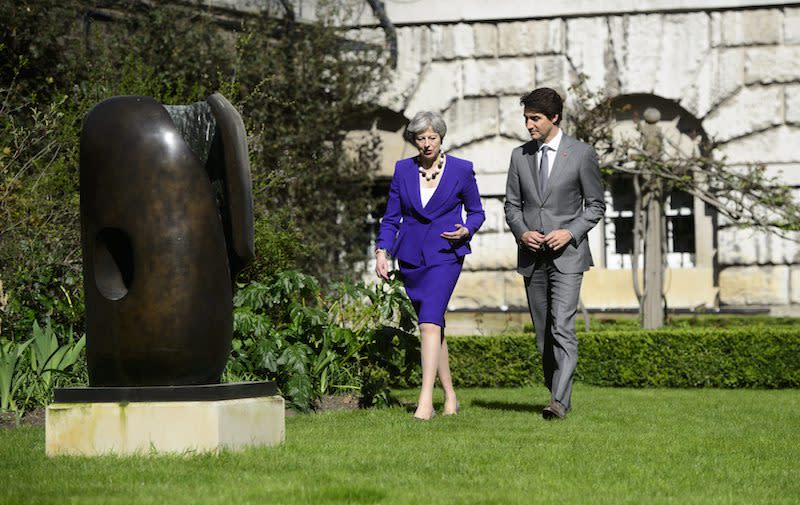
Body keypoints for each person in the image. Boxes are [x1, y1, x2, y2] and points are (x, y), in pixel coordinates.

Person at [375, 110, 485, 420]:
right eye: (421, 138)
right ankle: (450, 395)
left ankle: (425, 402)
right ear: (414, 140)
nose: (426, 144)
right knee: (433, 324)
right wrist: (382, 250)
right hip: (410, 256)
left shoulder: (461, 170)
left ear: (441, 138)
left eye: (432, 138)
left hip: (445, 255)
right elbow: (391, 217)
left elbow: (477, 212)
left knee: (428, 323)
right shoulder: (402, 170)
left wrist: (467, 229)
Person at [504, 88, 605, 420]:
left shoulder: (581, 154)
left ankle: (558, 403)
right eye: (526, 119)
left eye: (534, 119)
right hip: (533, 258)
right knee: (543, 335)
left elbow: (595, 206)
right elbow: (512, 206)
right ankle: (558, 393)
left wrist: (571, 231)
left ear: (554, 118)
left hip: (568, 256)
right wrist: (522, 233)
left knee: (562, 326)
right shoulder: (520, 156)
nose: (529, 125)